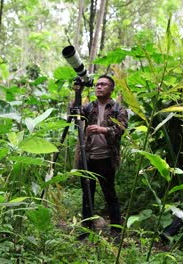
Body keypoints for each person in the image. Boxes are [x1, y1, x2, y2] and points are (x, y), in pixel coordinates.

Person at [73, 74, 128, 239]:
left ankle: (116, 231)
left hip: (106, 158)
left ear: (111, 89)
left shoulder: (118, 109)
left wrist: (101, 129)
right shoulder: (89, 107)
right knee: (87, 195)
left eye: (103, 84)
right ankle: (87, 230)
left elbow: (122, 128)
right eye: (97, 84)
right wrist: (78, 91)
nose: (99, 87)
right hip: (87, 157)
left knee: (110, 195)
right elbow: (74, 112)